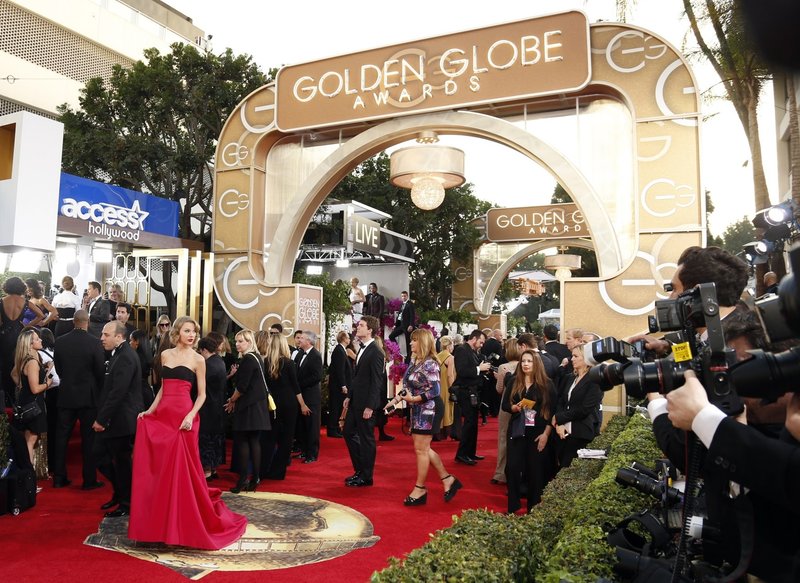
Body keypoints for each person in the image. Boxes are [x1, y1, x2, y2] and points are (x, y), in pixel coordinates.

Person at [129, 317, 247, 549]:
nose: (192, 335)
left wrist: (191, 416)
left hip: (185, 418)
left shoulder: (198, 359)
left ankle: (181, 524)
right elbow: (163, 388)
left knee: (182, 471)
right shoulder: (165, 355)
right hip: (163, 415)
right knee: (161, 470)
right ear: (177, 333)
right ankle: (158, 525)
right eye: (187, 330)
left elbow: (201, 395)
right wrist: (149, 410)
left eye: (194, 331)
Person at [392, 328, 461, 506]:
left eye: (414, 340)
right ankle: (447, 479)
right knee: (423, 449)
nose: (410, 343)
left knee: (421, 450)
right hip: (418, 409)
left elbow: (434, 391)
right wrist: (396, 399)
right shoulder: (415, 361)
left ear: (422, 342)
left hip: (429, 409)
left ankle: (420, 488)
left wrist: (413, 399)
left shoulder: (430, 363)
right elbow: (409, 385)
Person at [93, 321, 143, 517]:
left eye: (106, 335)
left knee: (121, 464)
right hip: (117, 418)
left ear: (119, 337)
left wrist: (101, 419)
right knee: (103, 458)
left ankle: (127, 504)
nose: (102, 338)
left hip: (121, 420)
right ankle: (120, 495)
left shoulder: (126, 357)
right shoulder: (119, 354)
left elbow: (118, 393)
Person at [52, 310, 105, 489]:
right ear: (87, 322)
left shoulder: (60, 341)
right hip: (88, 398)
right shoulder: (94, 342)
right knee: (88, 439)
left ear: (74, 322)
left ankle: (59, 478)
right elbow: (99, 371)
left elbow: (58, 368)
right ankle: (89, 480)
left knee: (61, 438)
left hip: (66, 395)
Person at [502, 350, 555, 513]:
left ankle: (533, 508)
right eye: (523, 361)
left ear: (536, 364)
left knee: (535, 471)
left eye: (529, 361)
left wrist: (546, 434)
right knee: (513, 468)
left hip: (537, 432)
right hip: (517, 430)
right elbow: (505, 405)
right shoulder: (513, 381)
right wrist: (514, 407)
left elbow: (551, 411)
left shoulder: (547, 384)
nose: (525, 364)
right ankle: (513, 507)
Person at [224, 329, 271, 493]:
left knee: (243, 443)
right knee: (254, 442)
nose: (237, 344)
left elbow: (241, 387)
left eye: (241, 341)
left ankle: (243, 479)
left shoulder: (248, 360)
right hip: (258, 407)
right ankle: (255, 478)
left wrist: (232, 400)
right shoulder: (258, 358)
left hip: (248, 408)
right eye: (236, 341)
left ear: (250, 342)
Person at [343, 315, 384, 487]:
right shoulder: (362, 348)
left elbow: (376, 382)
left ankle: (367, 476)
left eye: (361, 325)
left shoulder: (376, 352)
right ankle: (359, 470)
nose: (357, 327)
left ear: (370, 330)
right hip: (355, 402)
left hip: (366, 404)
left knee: (367, 439)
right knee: (348, 432)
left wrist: (370, 406)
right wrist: (349, 396)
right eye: (358, 325)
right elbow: (357, 378)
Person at [262, 333, 308, 480]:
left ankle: (264, 469)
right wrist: (302, 405)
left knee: (269, 436)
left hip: (271, 404)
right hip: (289, 404)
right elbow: (296, 387)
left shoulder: (265, 362)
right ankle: (278, 471)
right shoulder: (289, 363)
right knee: (286, 438)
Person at [552, 344, 602, 469]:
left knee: (568, 469)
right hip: (563, 434)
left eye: (575, 356)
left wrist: (559, 418)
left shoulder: (595, 380)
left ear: (586, 358)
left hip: (581, 434)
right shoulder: (570, 378)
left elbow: (584, 409)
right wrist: (560, 423)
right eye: (571, 356)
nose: (571, 359)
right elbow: (561, 401)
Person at [11, 328, 54, 465]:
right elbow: (35, 389)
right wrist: (48, 383)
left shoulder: (25, 359)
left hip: (26, 402)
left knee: (28, 440)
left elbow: (14, 374)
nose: (40, 340)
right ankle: (29, 481)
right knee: (30, 441)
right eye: (37, 339)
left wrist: (22, 386)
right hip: (33, 404)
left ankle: (28, 480)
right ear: (30, 344)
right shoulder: (32, 362)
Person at [1, 276, 44, 406]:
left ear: (7, 287)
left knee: (3, 365)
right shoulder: (25, 302)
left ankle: (5, 398)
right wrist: (27, 326)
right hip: (19, 335)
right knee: (17, 363)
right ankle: (16, 396)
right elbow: (41, 315)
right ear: (21, 287)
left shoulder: (2, 301)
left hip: (3, 335)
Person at [452, 329, 491, 465]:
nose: (481, 345)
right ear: (474, 338)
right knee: (469, 424)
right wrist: (479, 369)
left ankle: (470, 453)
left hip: (474, 391)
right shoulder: (462, 350)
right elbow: (462, 371)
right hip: (465, 392)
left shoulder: (473, 351)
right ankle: (462, 454)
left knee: (473, 424)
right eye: (481, 342)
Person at [491, 338, 521, 485]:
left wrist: (498, 378)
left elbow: (499, 389)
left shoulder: (503, 367)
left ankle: (500, 473)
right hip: (522, 405)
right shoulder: (525, 365)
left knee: (503, 437)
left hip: (506, 405)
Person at [197, 337, 227, 481]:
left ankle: (207, 471)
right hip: (217, 407)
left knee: (206, 440)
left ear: (204, 349)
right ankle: (213, 469)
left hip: (207, 408)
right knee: (215, 439)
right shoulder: (219, 361)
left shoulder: (207, 365)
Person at [294, 330, 322, 463]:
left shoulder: (316, 355)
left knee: (312, 426)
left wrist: (299, 384)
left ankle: (312, 454)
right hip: (300, 396)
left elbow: (317, 377)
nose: (299, 340)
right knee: (302, 425)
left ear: (309, 341)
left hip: (311, 396)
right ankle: (304, 450)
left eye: (302, 338)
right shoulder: (299, 354)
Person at [327, 330, 352, 438]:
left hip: (338, 386)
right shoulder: (339, 351)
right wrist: (343, 385)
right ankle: (332, 429)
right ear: (344, 339)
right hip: (337, 387)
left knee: (338, 407)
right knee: (335, 407)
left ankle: (335, 428)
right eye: (348, 338)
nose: (349, 339)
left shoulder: (341, 350)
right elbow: (339, 370)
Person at [436, 335, 456, 441]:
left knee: (438, 408)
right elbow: (450, 375)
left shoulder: (437, 356)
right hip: (446, 386)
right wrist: (453, 389)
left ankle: (437, 431)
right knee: (446, 409)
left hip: (437, 386)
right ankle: (444, 432)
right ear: (449, 346)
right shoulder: (450, 358)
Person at [129, 329, 155, 409]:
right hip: (147, 392)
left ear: (137, 342)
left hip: (137, 393)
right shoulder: (148, 356)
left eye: (131, 340)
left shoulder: (135, 358)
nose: (129, 343)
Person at [389, 291, 416, 362]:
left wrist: (411, 325)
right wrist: (395, 325)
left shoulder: (410, 304)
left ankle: (408, 359)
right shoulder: (402, 304)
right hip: (401, 325)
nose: (403, 297)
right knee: (391, 336)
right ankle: (397, 350)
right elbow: (399, 316)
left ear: (407, 296)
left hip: (407, 326)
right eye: (402, 296)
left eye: (404, 296)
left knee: (408, 343)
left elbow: (412, 316)